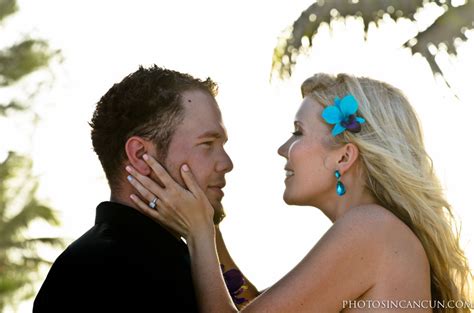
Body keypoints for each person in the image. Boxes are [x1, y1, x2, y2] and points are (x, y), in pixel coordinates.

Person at [125, 73, 472, 312]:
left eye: (297, 133)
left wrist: (198, 234)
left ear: (344, 156)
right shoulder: (381, 230)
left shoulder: (371, 230)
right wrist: (211, 231)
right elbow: (252, 307)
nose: (282, 148)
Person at [33, 65, 259, 312]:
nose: (227, 163)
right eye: (207, 144)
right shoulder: (108, 272)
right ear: (140, 155)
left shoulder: (171, 257)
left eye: (222, 145)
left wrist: (206, 229)